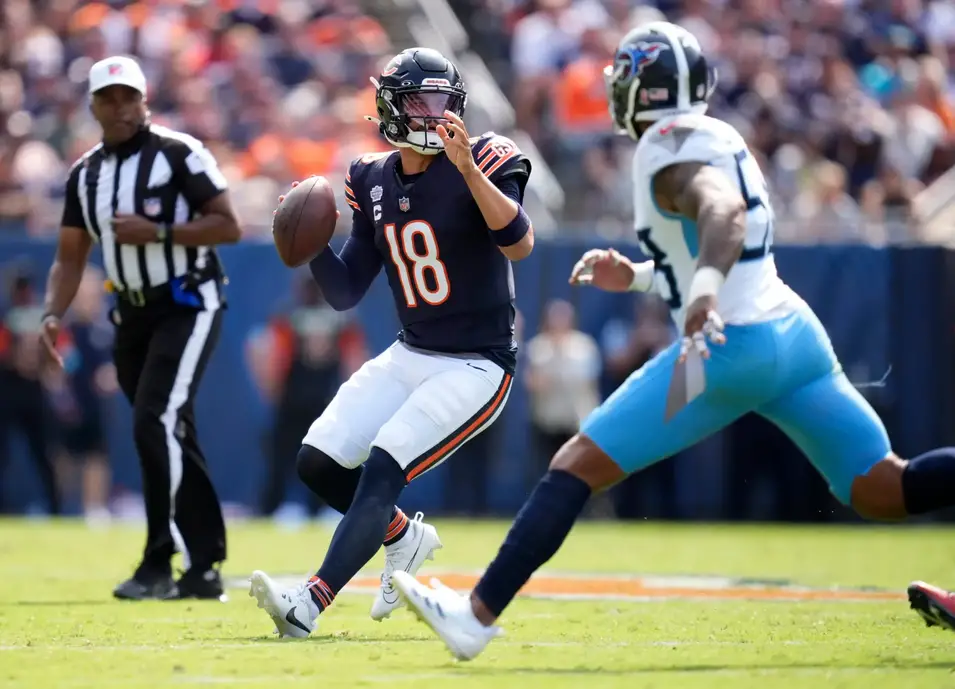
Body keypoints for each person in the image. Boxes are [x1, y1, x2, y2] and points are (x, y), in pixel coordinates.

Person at [391, 22, 955, 660]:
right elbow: (705, 250)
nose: (615, 92)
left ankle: (475, 615)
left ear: (644, 89)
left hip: (724, 352)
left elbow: (724, 216)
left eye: (623, 80)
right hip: (792, 338)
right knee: (883, 488)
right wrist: (633, 275)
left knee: (577, 465)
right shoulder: (721, 134)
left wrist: (706, 293)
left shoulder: (663, 145)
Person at [249, 47, 533, 636]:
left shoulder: (485, 156)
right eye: (419, 102)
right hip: (411, 351)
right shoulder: (369, 177)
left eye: (443, 101)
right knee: (318, 462)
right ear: (390, 108)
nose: (434, 115)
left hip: (477, 365)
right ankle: (405, 537)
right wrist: (309, 246)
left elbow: (518, 241)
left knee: (383, 468)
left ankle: (308, 604)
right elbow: (347, 290)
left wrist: (469, 171)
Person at [39, 56, 241, 600]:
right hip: (129, 313)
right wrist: (53, 313)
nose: (121, 107)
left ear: (145, 99)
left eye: (130, 96)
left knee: (155, 419)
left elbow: (229, 225)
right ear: (93, 105)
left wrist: (158, 233)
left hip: (187, 301)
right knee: (169, 427)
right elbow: (70, 256)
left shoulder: (179, 153)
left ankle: (159, 559)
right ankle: (204, 565)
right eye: (109, 98)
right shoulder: (86, 174)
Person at [53, 266, 117, 525]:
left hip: (94, 403)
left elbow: (115, 364)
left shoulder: (105, 328)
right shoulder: (63, 327)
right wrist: (59, 393)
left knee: (96, 454)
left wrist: (112, 376)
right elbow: (55, 365)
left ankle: (94, 508)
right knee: (63, 454)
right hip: (67, 401)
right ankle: (58, 505)